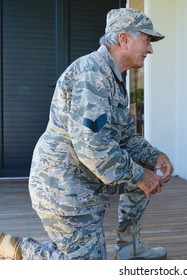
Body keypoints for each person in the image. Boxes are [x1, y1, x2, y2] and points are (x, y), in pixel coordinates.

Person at [0, 8, 174, 260]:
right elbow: (94, 147)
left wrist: (155, 156)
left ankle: (129, 244)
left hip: (89, 180)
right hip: (64, 188)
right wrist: (139, 176)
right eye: (146, 40)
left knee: (146, 166)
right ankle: (18, 248)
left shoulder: (113, 78)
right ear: (124, 40)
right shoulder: (91, 75)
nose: (150, 49)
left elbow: (125, 138)